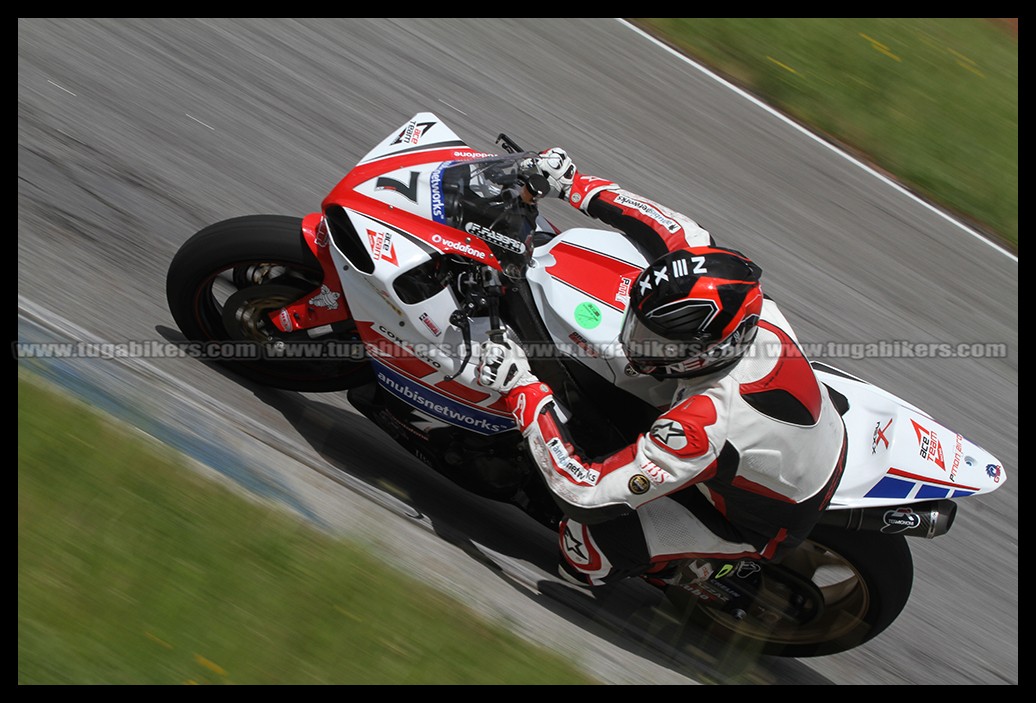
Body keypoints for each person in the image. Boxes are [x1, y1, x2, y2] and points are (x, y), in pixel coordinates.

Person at [475, 148, 848, 588]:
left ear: (706, 353)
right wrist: (574, 185)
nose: (635, 343)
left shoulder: (704, 422)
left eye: (655, 342)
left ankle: (699, 571)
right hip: (787, 440)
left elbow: (586, 493)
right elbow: (672, 229)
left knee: (583, 550)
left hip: (758, 520)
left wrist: (521, 388)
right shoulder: (748, 303)